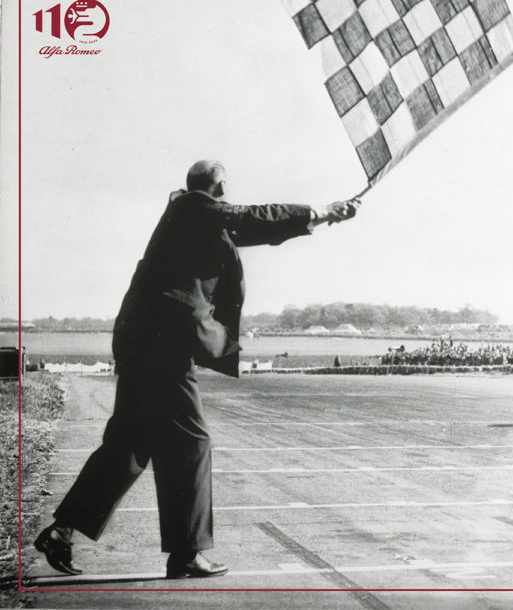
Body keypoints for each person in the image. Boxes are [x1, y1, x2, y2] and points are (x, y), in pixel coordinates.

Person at [33, 160, 360, 579]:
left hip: (144, 340)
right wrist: (318, 211)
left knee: (130, 443)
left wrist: (322, 216)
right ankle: (186, 553)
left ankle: (62, 531)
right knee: (191, 442)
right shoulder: (192, 208)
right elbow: (248, 218)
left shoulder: (196, 218)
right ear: (218, 185)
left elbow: (254, 228)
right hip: (161, 343)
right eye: (224, 187)